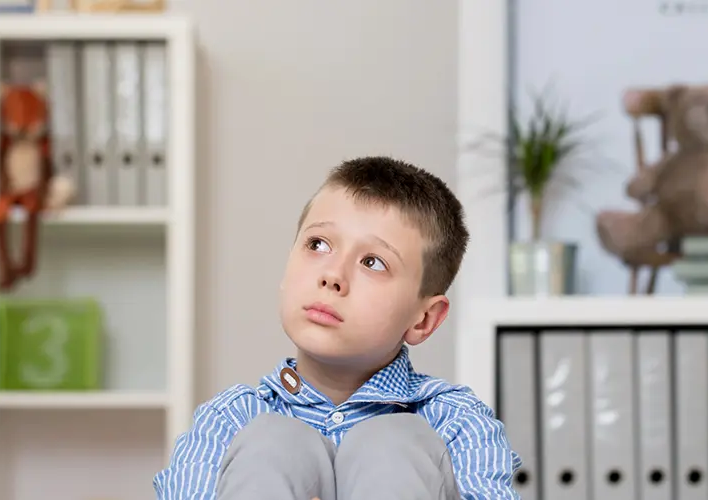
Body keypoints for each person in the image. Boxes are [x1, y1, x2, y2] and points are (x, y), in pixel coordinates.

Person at [153, 157, 520, 500]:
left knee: (393, 443)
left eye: (373, 262)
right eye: (318, 244)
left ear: (423, 319)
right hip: (261, 441)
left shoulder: (456, 424)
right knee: (272, 442)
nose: (332, 276)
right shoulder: (228, 420)